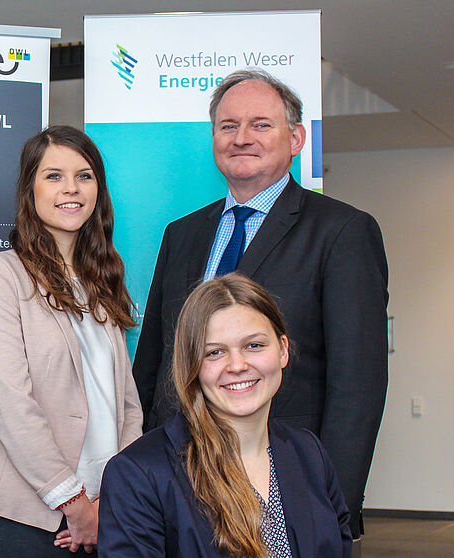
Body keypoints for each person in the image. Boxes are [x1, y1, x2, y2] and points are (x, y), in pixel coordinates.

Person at [132, 68, 388, 538]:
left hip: (286, 486)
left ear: (296, 138)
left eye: (260, 124)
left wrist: (332, 509)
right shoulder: (182, 234)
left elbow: (359, 386)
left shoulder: (342, 232)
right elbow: (153, 362)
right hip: (176, 480)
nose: (241, 137)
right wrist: (139, 477)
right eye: (228, 126)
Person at [0, 125, 143, 556]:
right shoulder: (0, 275)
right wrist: (74, 502)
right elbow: (10, 404)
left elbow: (127, 408)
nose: (72, 189)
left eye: (84, 176)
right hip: (25, 519)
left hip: (107, 515)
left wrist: (112, 501)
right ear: (29, 190)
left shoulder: (100, 282)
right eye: (53, 176)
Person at [100, 274, 352, 557]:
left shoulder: (309, 453)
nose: (237, 365)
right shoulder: (138, 473)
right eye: (215, 352)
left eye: (253, 345)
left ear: (283, 349)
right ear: (191, 365)